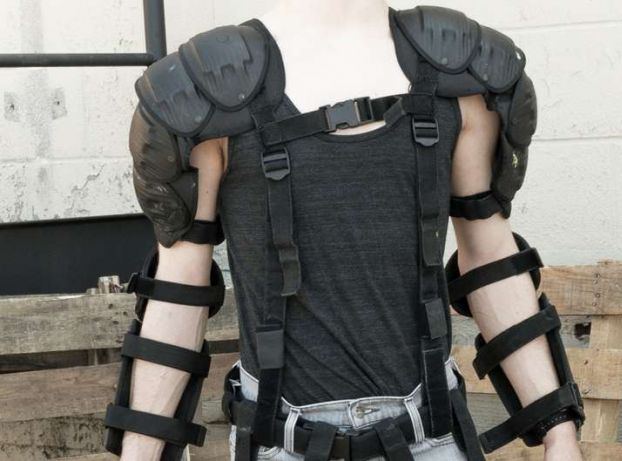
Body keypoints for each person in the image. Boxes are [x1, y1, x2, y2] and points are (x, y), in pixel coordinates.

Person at [103, 1, 585, 460]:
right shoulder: (207, 96)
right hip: (280, 440)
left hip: (431, 433)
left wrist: (558, 431)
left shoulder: (462, 79)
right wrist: (139, 452)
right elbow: (179, 289)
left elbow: (490, 257)